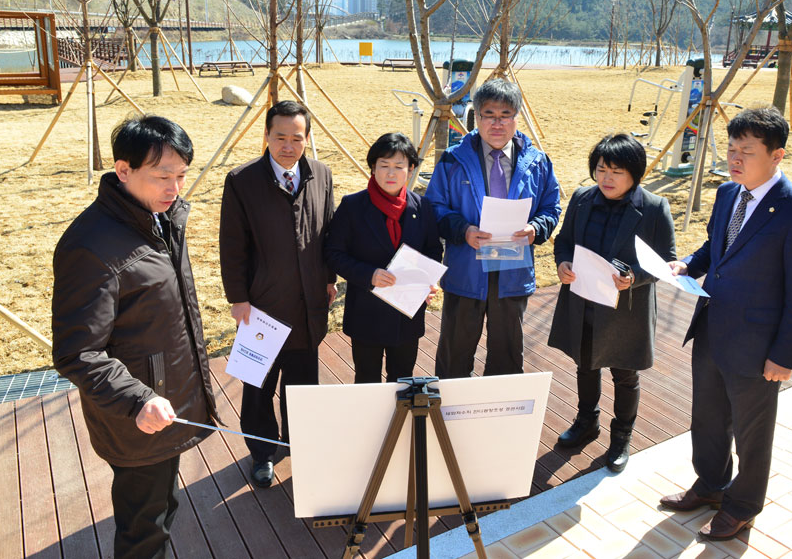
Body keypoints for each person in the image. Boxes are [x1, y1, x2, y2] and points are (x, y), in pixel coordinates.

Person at [52, 116, 218, 559]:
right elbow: (77, 351)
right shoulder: (92, 246)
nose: (175, 188)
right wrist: (136, 399)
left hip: (167, 402)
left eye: (182, 175)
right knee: (143, 529)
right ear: (123, 170)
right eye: (162, 176)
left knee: (161, 508)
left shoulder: (158, 217)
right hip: (137, 414)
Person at [659, 107, 792, 541]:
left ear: (777, 155)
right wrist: (688, 265)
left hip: (759, 345)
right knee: (708, 417)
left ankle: (743, 505)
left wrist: (784, 356)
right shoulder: (727, 194)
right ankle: (711, 484)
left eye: (746, 151)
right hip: (713, 326)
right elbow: (716, 246)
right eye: (732, 148)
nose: (734, 158)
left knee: (753, 432)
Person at [219, 100, 336, 488]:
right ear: (267, 136)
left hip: (308, 304)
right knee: (258, 386)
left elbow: (328, 232)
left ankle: (300, 443)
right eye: (280, 137)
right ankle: (262, 452)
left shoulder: (321, 174)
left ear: (307, 138)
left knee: (302, 385)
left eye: (296, 138)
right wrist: (238, 297)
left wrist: (329, 278)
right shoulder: (242, 180)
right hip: (262, 308)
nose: (288, 145)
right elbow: (232, 245)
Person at [549, 133, 676, 473]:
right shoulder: (581, 199)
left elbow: (666, 261)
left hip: (626, 310)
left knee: (624, 373)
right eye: (601, 169)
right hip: (584, 301)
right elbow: (564, 242)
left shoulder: (653, 207)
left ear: (635, 173)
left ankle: (621, 436)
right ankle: (586, 421)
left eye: (616, 171)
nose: (606, 178)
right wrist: (562, 264)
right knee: (585, 363)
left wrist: (633, 277)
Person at [426, 78, 561, 378]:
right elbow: (434, 207)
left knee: (507, 358)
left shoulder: (538, 163)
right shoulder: (452, 160)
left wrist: (536, 229)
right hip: (466, 270)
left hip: (513, 273)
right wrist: (463, 230)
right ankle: (450, 420)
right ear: (477, 117)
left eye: (505, 115)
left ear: (516, 119)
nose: (497, 124)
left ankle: (501, 421)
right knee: (455, 355)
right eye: (489, 115)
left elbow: (552, 207)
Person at [324, 132, 443, 383]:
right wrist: (369, 275)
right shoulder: (353, 206)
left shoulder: (422, 208)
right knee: (366, 379)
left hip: (407, 312)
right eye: (384, 166)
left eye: (399, 166)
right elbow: (334, 253)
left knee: (403, 379)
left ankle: (398, 424)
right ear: (373, 169)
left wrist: (429, 282)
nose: (391, 173)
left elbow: (433, 250)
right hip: (367, 312)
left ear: (410, 170)